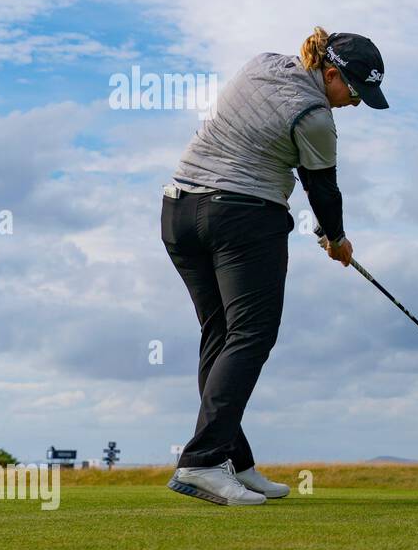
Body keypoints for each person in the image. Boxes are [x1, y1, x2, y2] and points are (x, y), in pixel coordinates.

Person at [161, 27, 389, 505]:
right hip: (242, 217)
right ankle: (202, 462)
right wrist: (337, 239)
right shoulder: (315, 116)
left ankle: (234, 462)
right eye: (355, 91)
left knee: (221, 336)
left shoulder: (261, 62)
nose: (356, 103)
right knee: (250, 336)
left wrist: (329, 232)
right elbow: (321, 188)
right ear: (331, 74)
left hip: (179, 213)